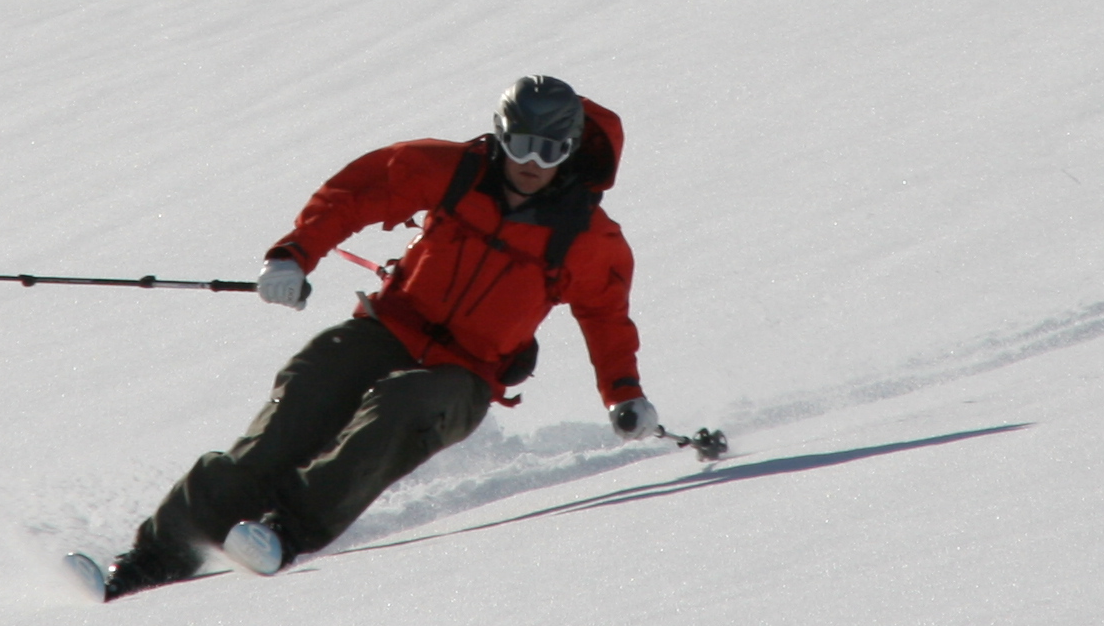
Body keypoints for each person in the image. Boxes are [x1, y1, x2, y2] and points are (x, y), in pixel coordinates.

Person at [81, 75, 670, 599]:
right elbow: (358, 193)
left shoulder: (590, 238)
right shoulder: (453, 170)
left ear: (570, 152)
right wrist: (292, 256)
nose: (532, 163)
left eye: (551, 150)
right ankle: (147, 563)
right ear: (499, 134)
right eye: (520, 143)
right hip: (390, 327)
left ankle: (284, 533)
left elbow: (606, 316)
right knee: (304, 396)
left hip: (465, 376)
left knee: (400, 407)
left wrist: (624, 393)